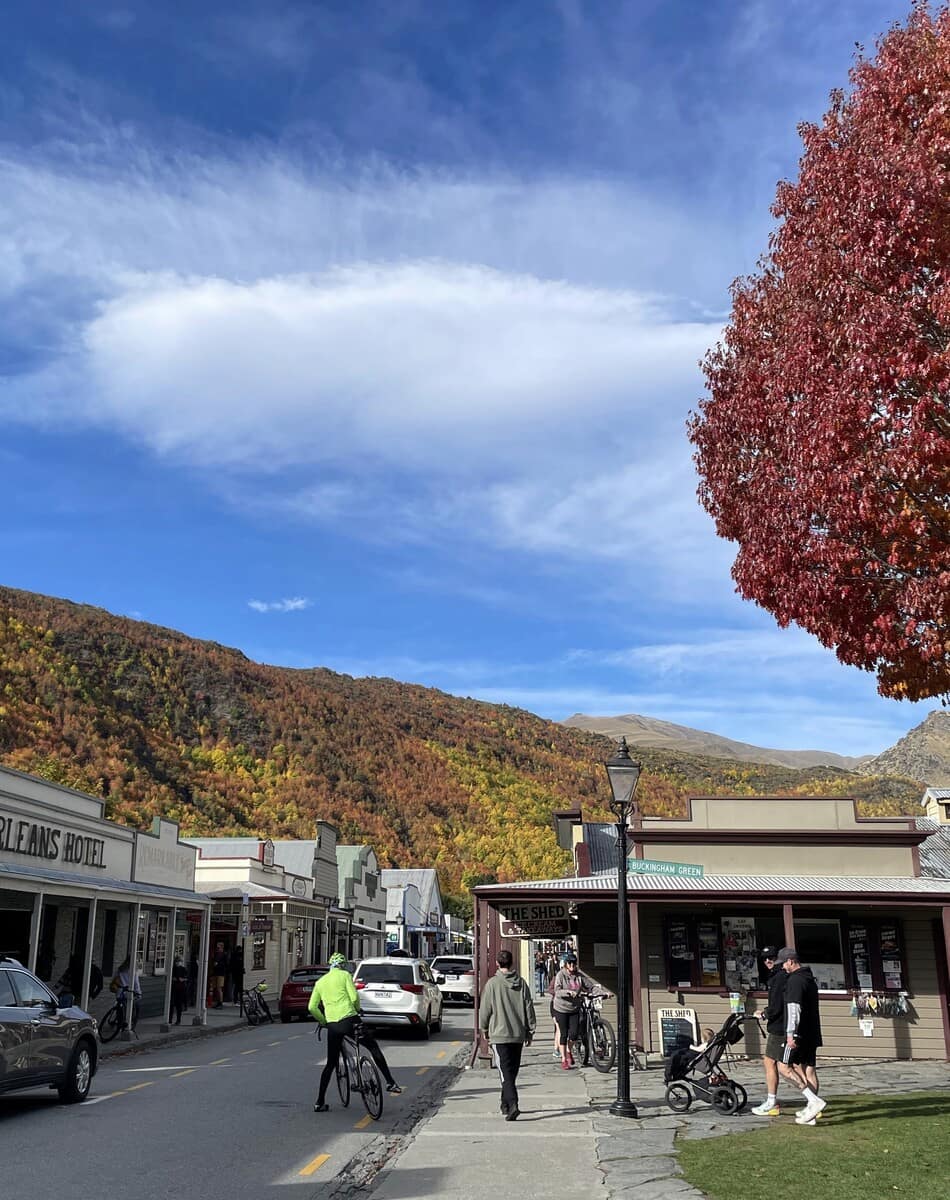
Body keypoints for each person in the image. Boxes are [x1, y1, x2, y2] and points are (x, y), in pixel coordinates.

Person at [309, 952, 403, 1112]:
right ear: (343, 965)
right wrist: (357, 1010)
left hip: (332, 1024)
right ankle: (390, 1081)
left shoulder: (320, 982)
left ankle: (319, 1102)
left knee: (330, 1064)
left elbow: (311, 1007)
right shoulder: (345, 975)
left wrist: (324, 1021)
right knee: (372, 1047)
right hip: (349, 1019)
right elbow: (353, 997)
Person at [479, 948, 536, 1121]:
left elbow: (485, 1010)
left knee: (505, 1073)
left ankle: (513, 1104)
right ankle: (505, 1104)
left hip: (499, 1034)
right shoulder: (522, 983)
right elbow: (528, 1007)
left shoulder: (492, 984)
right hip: (517, 1033)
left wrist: (484, 1029)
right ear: (512, 963)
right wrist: (530, 1029)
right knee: (512, 1071)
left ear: (497, 963)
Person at [773, 947, 825, 1124]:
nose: (782, 968)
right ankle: (811, 1112)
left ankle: (813, 1101)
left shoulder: (795, 981)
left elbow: (794, 1009)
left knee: (783, 1067)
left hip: (798, 1033)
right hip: (812, 1032)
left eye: (784, 964)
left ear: (791, 961)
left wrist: (790, 1034)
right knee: (808, 1069)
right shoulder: (809, 978)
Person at [751, 947, 787, 1116]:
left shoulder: (779, 977)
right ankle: (812, 1100)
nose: (767, 961)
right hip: (782, 1025)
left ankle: (772, 1102)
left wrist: (765, 1013)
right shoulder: (776, 975)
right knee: (791, 1066)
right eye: (764, 958)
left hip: (779, 1027)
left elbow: (777, 1004)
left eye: (771, 957)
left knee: (773, 1063)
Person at [551, 951, 596, 1070]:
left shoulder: (579, 976)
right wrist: (568, 992)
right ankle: (564, 1059)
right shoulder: (561, 975)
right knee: (564, 1034)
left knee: (574, 1035)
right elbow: (557, 991)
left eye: (574, 963)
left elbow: (591, 986)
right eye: (570, 963)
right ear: (566, 964)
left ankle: (568, 1050)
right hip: (561, 1008)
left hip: (574, 1008)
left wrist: (602, 993)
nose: (572, 965)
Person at [111, 958, 141, 1030]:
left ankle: (119, 1023)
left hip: (119, 993)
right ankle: (130, 1026)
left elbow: (114, 979)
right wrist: (139, 993)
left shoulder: (119, 970)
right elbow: (136, 984)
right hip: (128, 993)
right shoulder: (133, 971)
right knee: (135, 1008)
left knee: (120, 1009)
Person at [170, 956, 188, 1024]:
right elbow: (171, 977)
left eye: (179, 961)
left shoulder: (183, 969)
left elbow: (186, 978)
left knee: (179, 1005)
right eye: (177, 961)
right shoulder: (173, 969)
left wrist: (182, 979)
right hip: (173, 988)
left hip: (181, 989)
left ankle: (178, 1020)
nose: (178, 963)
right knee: (171, 1004)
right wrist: (175, 979)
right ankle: (170, 1019)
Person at [211, 942, 228, 1008]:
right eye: (217, 947)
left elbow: (225, 964)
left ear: (221, 947)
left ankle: (220, 1002)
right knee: (215, 988)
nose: (217, 949)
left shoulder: (223, 954)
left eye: (218, 947)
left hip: (221, 973)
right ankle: (218, 1002)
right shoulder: (217, 954)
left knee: (219, 988)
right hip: (216, 972)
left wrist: (218, 964)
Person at [229, 944, 245, 1008]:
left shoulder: (234, 955)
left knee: (237, 987)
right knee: (238, 987)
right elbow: (239, 964)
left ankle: (236, 999)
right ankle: (238, 1000)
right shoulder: (239, 956)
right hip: (238, 973)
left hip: (235, 973)